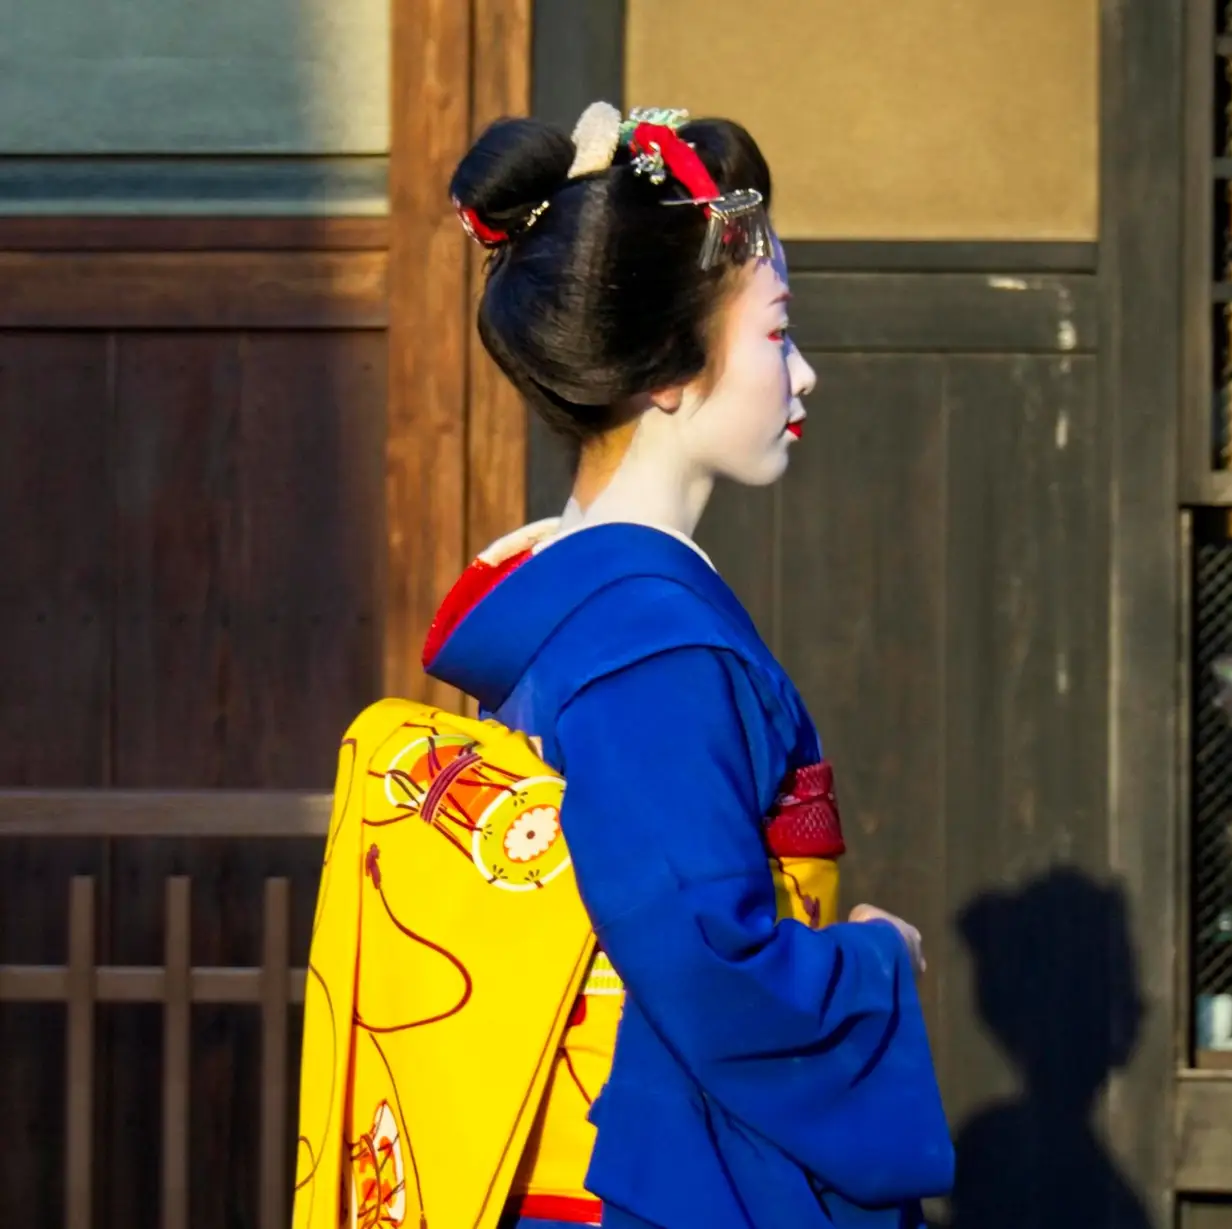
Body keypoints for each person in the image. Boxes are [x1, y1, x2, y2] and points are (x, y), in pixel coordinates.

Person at [290, 103, 951, 1229]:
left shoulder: (575, 604)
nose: (805, 378)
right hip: (650, 1176)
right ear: (666, 368)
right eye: (779, 333)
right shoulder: (656, 644)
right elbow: (702, 953)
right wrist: (872, 963)